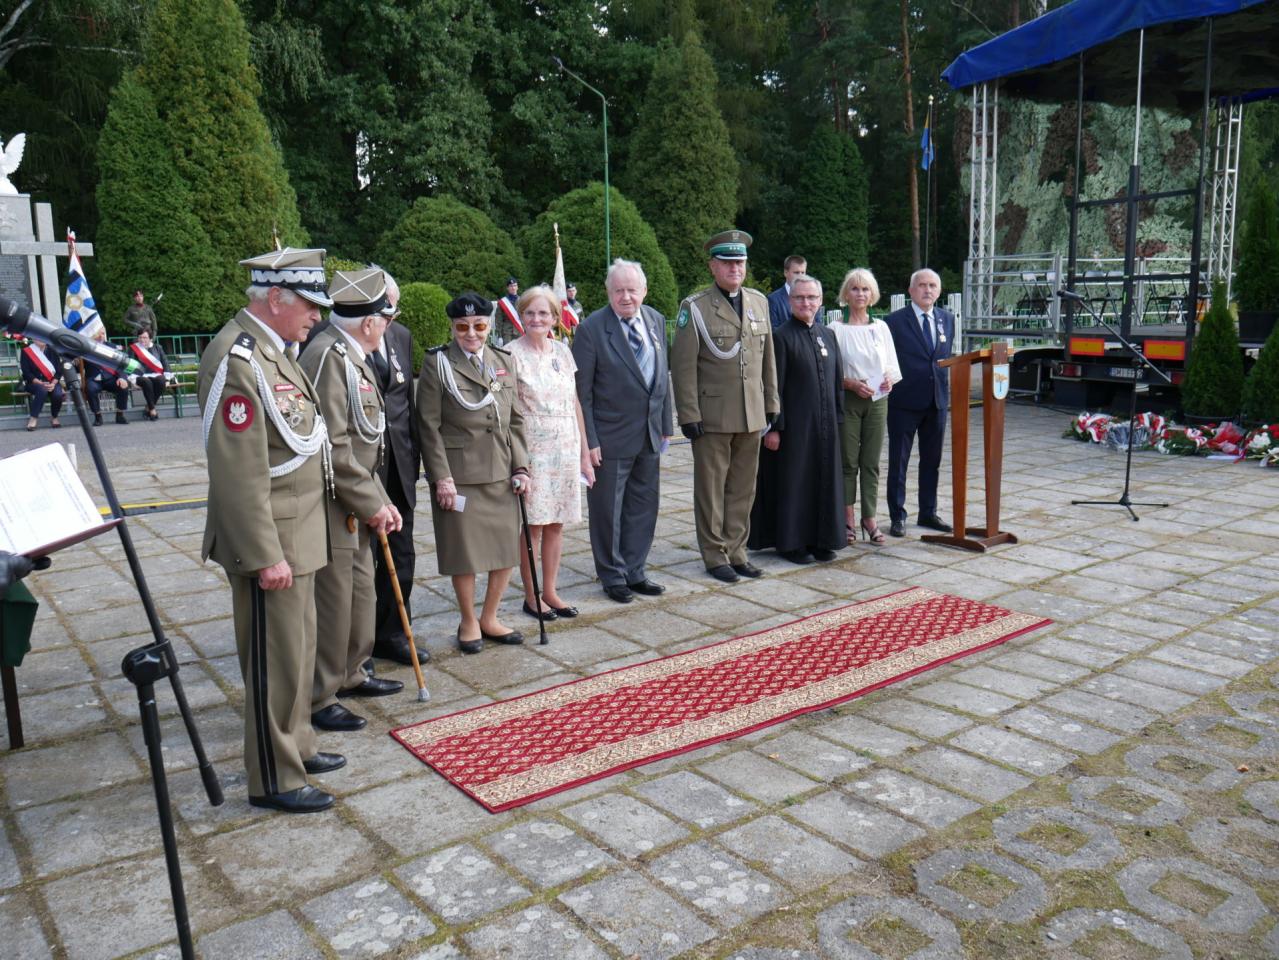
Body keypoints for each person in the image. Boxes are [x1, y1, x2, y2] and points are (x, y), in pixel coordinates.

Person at [198, 246, 341, 815]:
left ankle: (297, 745)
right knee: (273, 663)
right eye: (309, 305)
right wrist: (263, 554)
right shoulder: (238, 357)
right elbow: (237, 470)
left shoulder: (271, 350)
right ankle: (274, 778)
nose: (317, 316)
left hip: (298, 532)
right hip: (272, 541)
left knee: (296, 655)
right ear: (276, 298)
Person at [300, 268, 403, 733]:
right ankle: (322, 694)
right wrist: (371, 501)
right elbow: (333, 445)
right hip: (334, 501)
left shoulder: (348, 353)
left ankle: (352, 671)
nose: (388, 326)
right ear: (369, 322)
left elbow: (366, 441)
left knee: (361, 593)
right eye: (387, 318)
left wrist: (379, 499)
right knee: (336, 601)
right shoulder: (330, 356)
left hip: (357, 499)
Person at [416, 292, 531, 654]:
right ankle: (468, 620)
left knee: (504, 549)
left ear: (489, 325)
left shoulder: (503, 360)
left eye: (479, 326)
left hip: (500, 470)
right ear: (452, 327)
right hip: (460, 474)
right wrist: (441, 477)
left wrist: (522, 466)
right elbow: (428, 425)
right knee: (463, 553)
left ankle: (490, 617)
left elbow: (515, 419)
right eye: (462, 327)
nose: (471, 334)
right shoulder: (438, 363)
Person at [670, 229, 779, 583]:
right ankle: (715, 555)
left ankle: (737, 551)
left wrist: (771, 401)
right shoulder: (695, 308)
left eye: (740, 262)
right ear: (712, 266)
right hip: (712, 416)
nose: (735, 268)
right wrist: (688, 413)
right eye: (727, 262)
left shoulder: (759, 302)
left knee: (744, 488)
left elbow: (767, 359)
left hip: (751, 412)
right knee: (711, 490)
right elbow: (683, 366)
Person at [573, 259, 672, 603]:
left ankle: (635, 570)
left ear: (644, 290)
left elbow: (662, 376)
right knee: (608, 511)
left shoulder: (655, 319)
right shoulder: (591, 329)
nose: (625, 297)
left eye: (632, 290)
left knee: (644, 505)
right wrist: (589, 441)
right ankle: (612, 575)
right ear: (608, 292)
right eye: (618, 290)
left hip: (649, 433)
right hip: (609, 437)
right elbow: (582, 394)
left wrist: (666, 424)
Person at [507, 286, 594, 620]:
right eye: (530, 312)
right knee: (533, 525)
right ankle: (531, 596)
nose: (536, 319)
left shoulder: (562, 351)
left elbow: (574, 403)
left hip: (565, 446)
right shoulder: (510, 353)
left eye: (543, 313)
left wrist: (584, 453)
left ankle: (551, 591)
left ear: (555, 318)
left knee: (557, 522)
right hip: (532, 449)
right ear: (521, 316)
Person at [749, 275, 845, 563]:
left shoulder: (828, 335)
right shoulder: (780, 336)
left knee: (823, 481)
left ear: (821, 301)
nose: (806, 303)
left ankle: (821, 539)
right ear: (790, 301)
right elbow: (773, 386)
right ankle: (792, 543)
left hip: (825, 426)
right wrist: (774, 427)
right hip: (794, 428)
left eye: (812, 297)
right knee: (796, 484)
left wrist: (839, 419)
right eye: (800, 297)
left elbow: (837, 381)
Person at [367, 272, 427, 668]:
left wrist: (419, 460)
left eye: (393, 311)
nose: (389, 319)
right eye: (382, 311)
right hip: (364, 468)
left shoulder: (401, 336)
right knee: (363, 561)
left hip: (400, 464)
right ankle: (357, 644)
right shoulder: (334, 342)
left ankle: (391, 633)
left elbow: (406, 402)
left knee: (402, 554)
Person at [829, 268, 900, 544]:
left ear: (873, 295)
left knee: (870, 462)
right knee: (848, 462)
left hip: (877, 401)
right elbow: (829, 371)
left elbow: (891, 364)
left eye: (865, 289)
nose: (860, 294)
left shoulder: (881, 327)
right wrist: (849, 383)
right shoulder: (835, 329)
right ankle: (846, 518)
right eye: (855, 288)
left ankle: (869, 518)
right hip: (848, 399)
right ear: (846, 294)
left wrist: (889, 380)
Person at [885, 268, 955, 538]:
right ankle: (897, 515)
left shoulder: (947, 319)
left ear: (939, 290)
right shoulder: (894, 321)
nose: (928, 290)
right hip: (904, 401)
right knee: (899, 462)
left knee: (932, 461)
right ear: (911, 290)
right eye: (922, 285)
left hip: (936, 401)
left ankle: (928, 512)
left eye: (932, 285)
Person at [84, 330, 130, 426]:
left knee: (123, 387)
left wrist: (122, 377)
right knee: (90, 389)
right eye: (98, 333)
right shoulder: (85, 347)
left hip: (110, 378)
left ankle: (120, 415)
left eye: (103, 333)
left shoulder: (112, 347)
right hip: (94, 379)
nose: (101, 336)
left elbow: (121, 365)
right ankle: (98, 416)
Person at [129, 329, 174, 421]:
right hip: (140, 376)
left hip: (155, 374)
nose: (142, 340)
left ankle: (148, 407)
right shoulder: (133, 349)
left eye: (145, 337)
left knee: (161, 381)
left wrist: (167, 378)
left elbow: (165, 362)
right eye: (140, 337)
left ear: (150, 339)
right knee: (147, 382)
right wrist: (132, 380)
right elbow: (129, 365)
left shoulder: (158, 348)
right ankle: (152, 410)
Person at [19, 340, 63, 432]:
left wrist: (53, 383)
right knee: (42, 389)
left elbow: (59, 371)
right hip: (34, 383)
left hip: (52, 382)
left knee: (58, 394)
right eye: (38, 337)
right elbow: (26, 372)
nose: (41, 339)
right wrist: (39, 382)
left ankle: (54, 417)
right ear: (33, 338)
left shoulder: (53, 351)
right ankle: (33, 418)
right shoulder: (26, 351)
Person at [766, 255, 808, 329]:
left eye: (803, 272)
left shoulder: (812, 297)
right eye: (796, 272)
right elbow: (773, 330)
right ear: (785, 273)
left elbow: (817, 327)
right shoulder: (773, 299)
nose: (800, 276)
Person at [495, 276, 521, 342]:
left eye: (515, 286)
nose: (513, 288)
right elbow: (498, 319)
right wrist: (499, 335)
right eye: (511, 286)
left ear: (517, 287)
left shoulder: (522, 300)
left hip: (520, 330)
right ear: (507, 288)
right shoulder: (503, 302)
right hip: (507, 332)